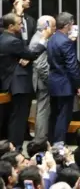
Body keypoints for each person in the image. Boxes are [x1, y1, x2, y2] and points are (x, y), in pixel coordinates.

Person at [0, 10, 50, 149]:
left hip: (10, 81)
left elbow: (23, 55)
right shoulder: (13, 41)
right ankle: (16, 147)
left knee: (14, 116)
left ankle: (11, 146)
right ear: (10, 26)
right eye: (19, 24)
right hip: (19, 83)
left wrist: (24, 56)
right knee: (19, 118)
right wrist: (44, 38)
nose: (22, 25)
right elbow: (32, 54)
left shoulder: (3, 38)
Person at [47, 12, 80, 145]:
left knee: (54, 115)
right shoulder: (66, 42)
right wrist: (79, 85)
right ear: (67, 25)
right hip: (65, 84)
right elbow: (72, 66)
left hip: (53, 82)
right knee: (64, 116)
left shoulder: (52, 38)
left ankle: (51, 142)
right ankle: (59, 145)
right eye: (72, 24)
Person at [29, 15, 56, 141]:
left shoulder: (41, 38)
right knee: (43, 111)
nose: (55, 29)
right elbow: (40, 65)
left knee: (44, 110)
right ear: (46, 26)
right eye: (53, 26)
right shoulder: (39, 40)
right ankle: (40, 140)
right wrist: (49, 80)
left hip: (43, 80)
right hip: (43, 81)